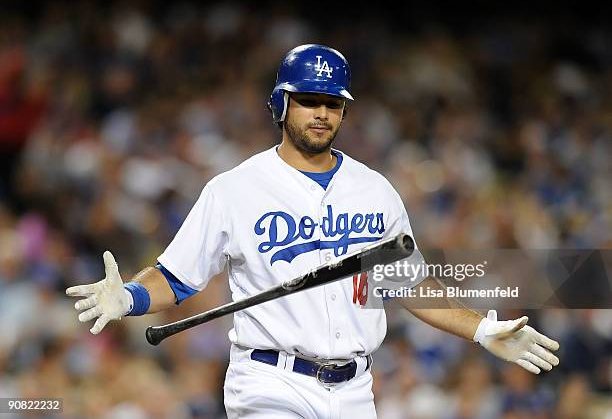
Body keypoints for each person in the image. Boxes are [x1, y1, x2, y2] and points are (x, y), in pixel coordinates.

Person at [66, 44, 560, 418]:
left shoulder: (375, 190)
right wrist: (129, 297)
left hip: (354, 390)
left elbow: (408, 284)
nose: (321, 112)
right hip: (269, 383)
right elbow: (176, 279)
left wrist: (480, 328)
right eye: (307, 100)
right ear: (281, 104)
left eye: (332, 102)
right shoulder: (235, 189)